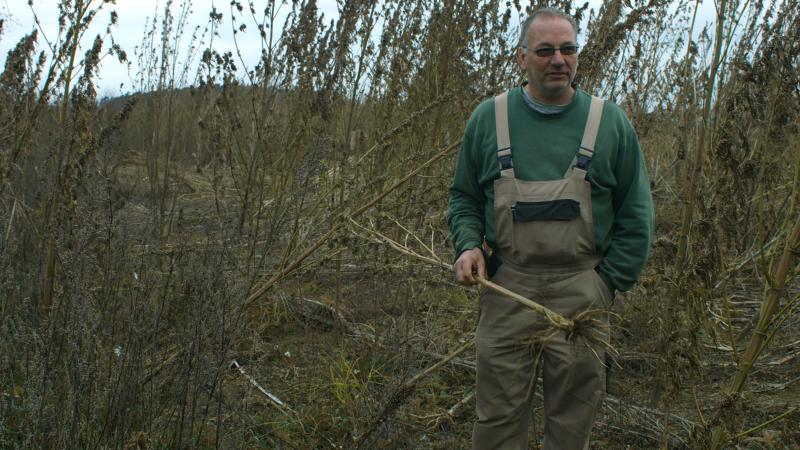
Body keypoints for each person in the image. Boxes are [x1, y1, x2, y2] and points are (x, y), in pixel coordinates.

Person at [447, 7, 653, 450]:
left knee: (571, 423)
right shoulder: (488, 119)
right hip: (506, 288)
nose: (558, 60)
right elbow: (463, 197)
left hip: (583, 293)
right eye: (545, 51)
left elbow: (637, 215)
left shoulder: (610, 123)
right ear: (522, 58)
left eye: (568, 49)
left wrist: (606, 284)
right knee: (497, 422)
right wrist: (468, 247)